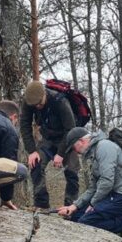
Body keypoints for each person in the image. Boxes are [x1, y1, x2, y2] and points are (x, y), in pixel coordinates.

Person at [57, 127, 122, 240]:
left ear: (81, 141)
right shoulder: (95, 153)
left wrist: (93, 204)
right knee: (75, 216)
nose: (75, 151)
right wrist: (74, 206)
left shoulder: (104, 147)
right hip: (111, 196)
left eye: (74, 146)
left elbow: (107, 181)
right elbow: (93, 188)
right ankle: (117, 221)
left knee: (85, 222)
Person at [20, 80, 79, 209]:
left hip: (66, 138)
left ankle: (70, 207)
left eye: (39, 104)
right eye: (34, 105)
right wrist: (31, 151)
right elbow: (24, 126)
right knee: (35, 164)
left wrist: (61, 153)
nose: (37, 107)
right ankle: (41, 205)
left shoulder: (60, 102)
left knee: (72, 173)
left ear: (45, 95)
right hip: (47, 138)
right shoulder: (28, 101)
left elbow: (71, 130)